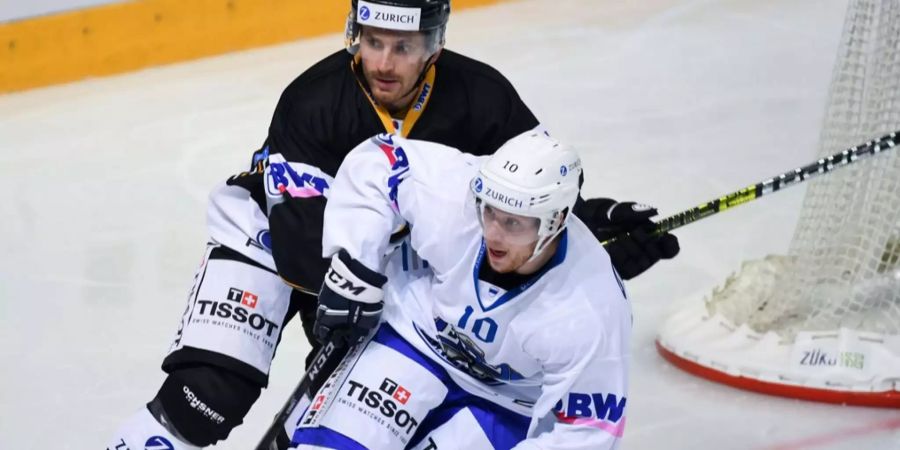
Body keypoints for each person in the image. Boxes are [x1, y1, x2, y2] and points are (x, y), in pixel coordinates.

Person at [106, 0, 675, 448]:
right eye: (373, 41)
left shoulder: (484, 100)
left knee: (335, 419)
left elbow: (527, 193)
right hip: (272, 239)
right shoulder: (313, 101)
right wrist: (358, 309)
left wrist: (590, 231)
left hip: (378, 268)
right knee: (205, 396)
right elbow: (300, 242)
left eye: (403, 47)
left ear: (435, 43)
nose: (382, 63)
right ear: (354, 33)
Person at [291, 130, 630, 449]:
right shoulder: (456, 194)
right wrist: (355, 264)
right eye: (489, 211)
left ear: (556, 220)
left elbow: (589, 430)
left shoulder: (591, 309)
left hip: (507, 401)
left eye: (513, 222)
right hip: (414, 338)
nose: (493, 234)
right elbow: (380, 160)